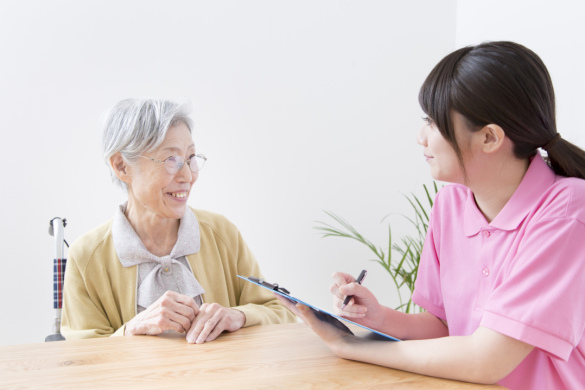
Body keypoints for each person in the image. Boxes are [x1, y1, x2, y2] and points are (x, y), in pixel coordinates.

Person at [276, 41, 585, 389]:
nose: (421, 137)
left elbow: (487, 360)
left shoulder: (567, 210)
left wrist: (351, 345)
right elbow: (446, 325)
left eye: (433, 121)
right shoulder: (451, 203)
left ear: (489, 137)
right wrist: (380, 319)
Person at [62, 98, 295, 343]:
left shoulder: (222, 234)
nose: (188, 175)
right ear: (122, 166)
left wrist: (238, 316)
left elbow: (282, 313)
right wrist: (131, 331)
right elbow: (82, 359)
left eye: (190, 157)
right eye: (171, 160)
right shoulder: (86, 256)